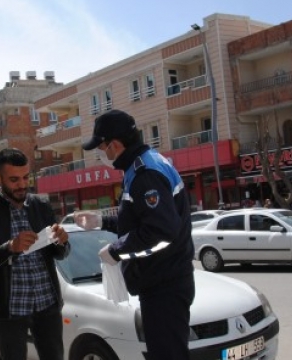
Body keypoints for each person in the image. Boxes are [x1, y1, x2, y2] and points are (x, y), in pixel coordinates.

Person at [76, 109, 195, 360]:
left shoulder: (145, 174)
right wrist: (102, 221)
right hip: (165, 279)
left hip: (164, 285)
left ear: (116, 145)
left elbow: (160, 232)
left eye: (102, 148)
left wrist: (115, 251)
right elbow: (141, 220)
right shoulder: (145, 164)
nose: (102, 155)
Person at [0, 148, 70, 360]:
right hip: (10, 307)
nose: (22, 185)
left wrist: (62, 241)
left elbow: (60, 254)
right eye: (14, 180)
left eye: (26, 177)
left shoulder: (40, 205)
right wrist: (9, 248)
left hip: (47, 302)